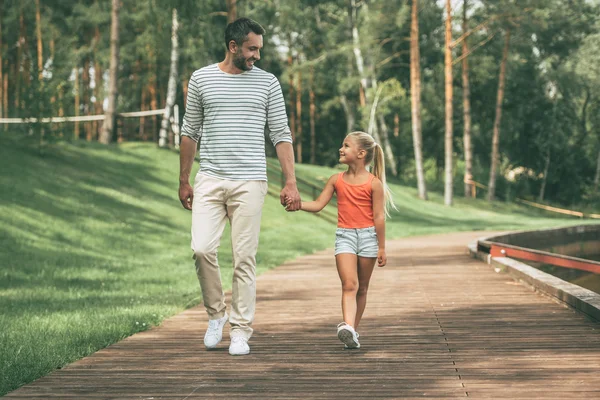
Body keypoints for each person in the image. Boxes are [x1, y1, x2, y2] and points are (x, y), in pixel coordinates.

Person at [178, 17, 301, 356]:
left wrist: (290, 181)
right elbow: (190, 132)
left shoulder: (268, 84)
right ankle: (217, 316)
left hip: (250, 181)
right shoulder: (201, 79)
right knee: (202, 249)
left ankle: (241, 330)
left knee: (244, 258)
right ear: (233, 47)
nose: (256, 56)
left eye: (259, 49)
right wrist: (184, 179)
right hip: (211, 179)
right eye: (251, 49)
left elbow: (281, 134)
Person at [286, 131, 395, 349]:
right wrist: (297, 204)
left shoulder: (374, 184)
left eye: (346, 146)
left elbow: (379, 217)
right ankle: (348, 327)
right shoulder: (336, 180)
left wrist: (382, 247)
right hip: (345, 236)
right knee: (349, 284)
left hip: (368, 238)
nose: (341, 149)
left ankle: (352, 332)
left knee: (362, 288)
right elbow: (318, 204)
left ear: (361, 153)